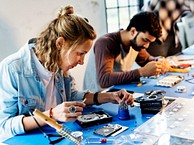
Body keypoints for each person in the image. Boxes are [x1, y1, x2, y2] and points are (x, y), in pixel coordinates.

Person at [0, 5, 134, 139]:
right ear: (60, 43)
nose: (81, 61)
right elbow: (4, 125)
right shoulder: (12, 68)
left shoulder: (57, 63)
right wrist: (51, 114)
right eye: (80, 54)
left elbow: (73, 96)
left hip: (55, 136)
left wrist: (110, 96)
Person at [83, 11, 170, 92]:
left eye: (149, 42)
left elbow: (146, 60)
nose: (146, 46)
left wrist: (159, 61)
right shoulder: (106, 43)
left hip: (117, 93)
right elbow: (104, 80)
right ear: (133, 31)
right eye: (145, 40)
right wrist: (141, 72)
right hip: (97, 98)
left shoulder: (135, 44)